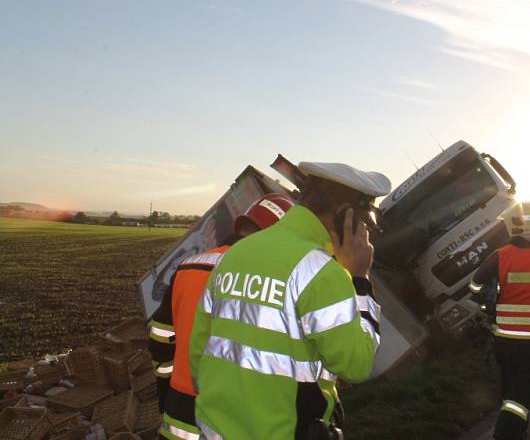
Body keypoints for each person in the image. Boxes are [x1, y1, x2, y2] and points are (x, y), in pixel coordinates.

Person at [189, 161, 390, 440]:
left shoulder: (236, 253)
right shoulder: (321, 272)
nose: (366, 234)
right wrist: (360, 280)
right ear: (346, 216)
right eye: (365, 222)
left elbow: (198, 355)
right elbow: (356, 364)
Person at [149, 193, 294, 440]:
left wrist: (167, 387)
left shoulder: (189, 267)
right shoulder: (271, 281)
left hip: (179, 412)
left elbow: (161, 337)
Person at [469, 201, 530, 440]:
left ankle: (514, 432)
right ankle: (506, 434)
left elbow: (474, 285)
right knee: (520, 399)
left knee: (511, 391)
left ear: (514, 226)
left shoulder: (499, 256)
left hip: (505, 342)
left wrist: (489, 296)